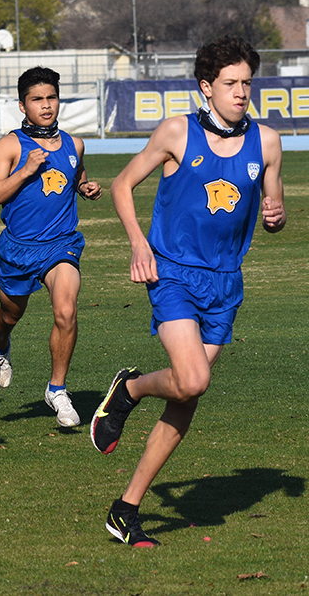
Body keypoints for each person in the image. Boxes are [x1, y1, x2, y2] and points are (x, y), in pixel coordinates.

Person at [93, 36, 285, 547]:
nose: (242, 92)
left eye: (247, 82)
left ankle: (125, 509)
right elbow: (121, 185)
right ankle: (130, 391)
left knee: (184, 399)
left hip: (225, 285)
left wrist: (275, 215)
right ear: (206, 87)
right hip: (173, 273)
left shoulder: (266, 142)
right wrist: (139, 244)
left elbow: (273, 206)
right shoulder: (178, 131)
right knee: (193, 379)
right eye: (231, 83)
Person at [0, 67, 102, 428]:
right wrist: (24, 171)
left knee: (66, 310)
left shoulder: (73, 143)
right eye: (37, 100)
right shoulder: (11, 145)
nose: (46, 106)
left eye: (51, 98)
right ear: (22, 105)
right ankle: (0, 344)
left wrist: (85, 187)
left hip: (61, 244)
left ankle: (57, 389)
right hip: (18, 249)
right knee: (9, 316)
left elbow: (75, 174)